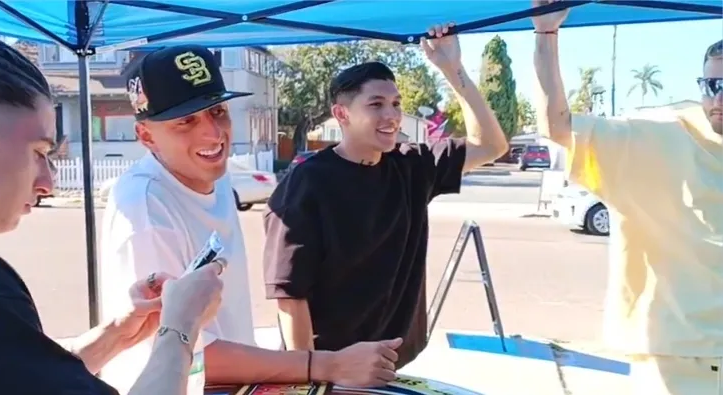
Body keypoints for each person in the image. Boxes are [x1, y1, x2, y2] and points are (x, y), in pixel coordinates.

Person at [0, 27, 223, 395]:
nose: (47, 183)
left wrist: (117, 335)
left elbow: (8, 378)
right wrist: (180, 327)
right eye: (39, 152)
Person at [99, 44, 408, 392]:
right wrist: (326, 364)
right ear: (146, 136)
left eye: (217, 111)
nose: (213, 134)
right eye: (186, 121)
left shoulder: (213, 176)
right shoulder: (145, 207)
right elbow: (179, 350)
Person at [262, 24, 509, 369]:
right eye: (376, 104)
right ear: (342, 114)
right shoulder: (307, 184)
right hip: (332, 368)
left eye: (395, 104)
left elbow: (492, 146)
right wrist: (310, 374)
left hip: (393, 364)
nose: (391, 115)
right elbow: (290, 295)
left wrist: (453, 69)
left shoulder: (412, 165)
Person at [530, 1, 723, 393]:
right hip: (679, 363)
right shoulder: (663, 135)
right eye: (711, 86)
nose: (717, 100)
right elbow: (558, 126)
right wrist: (546, 34)